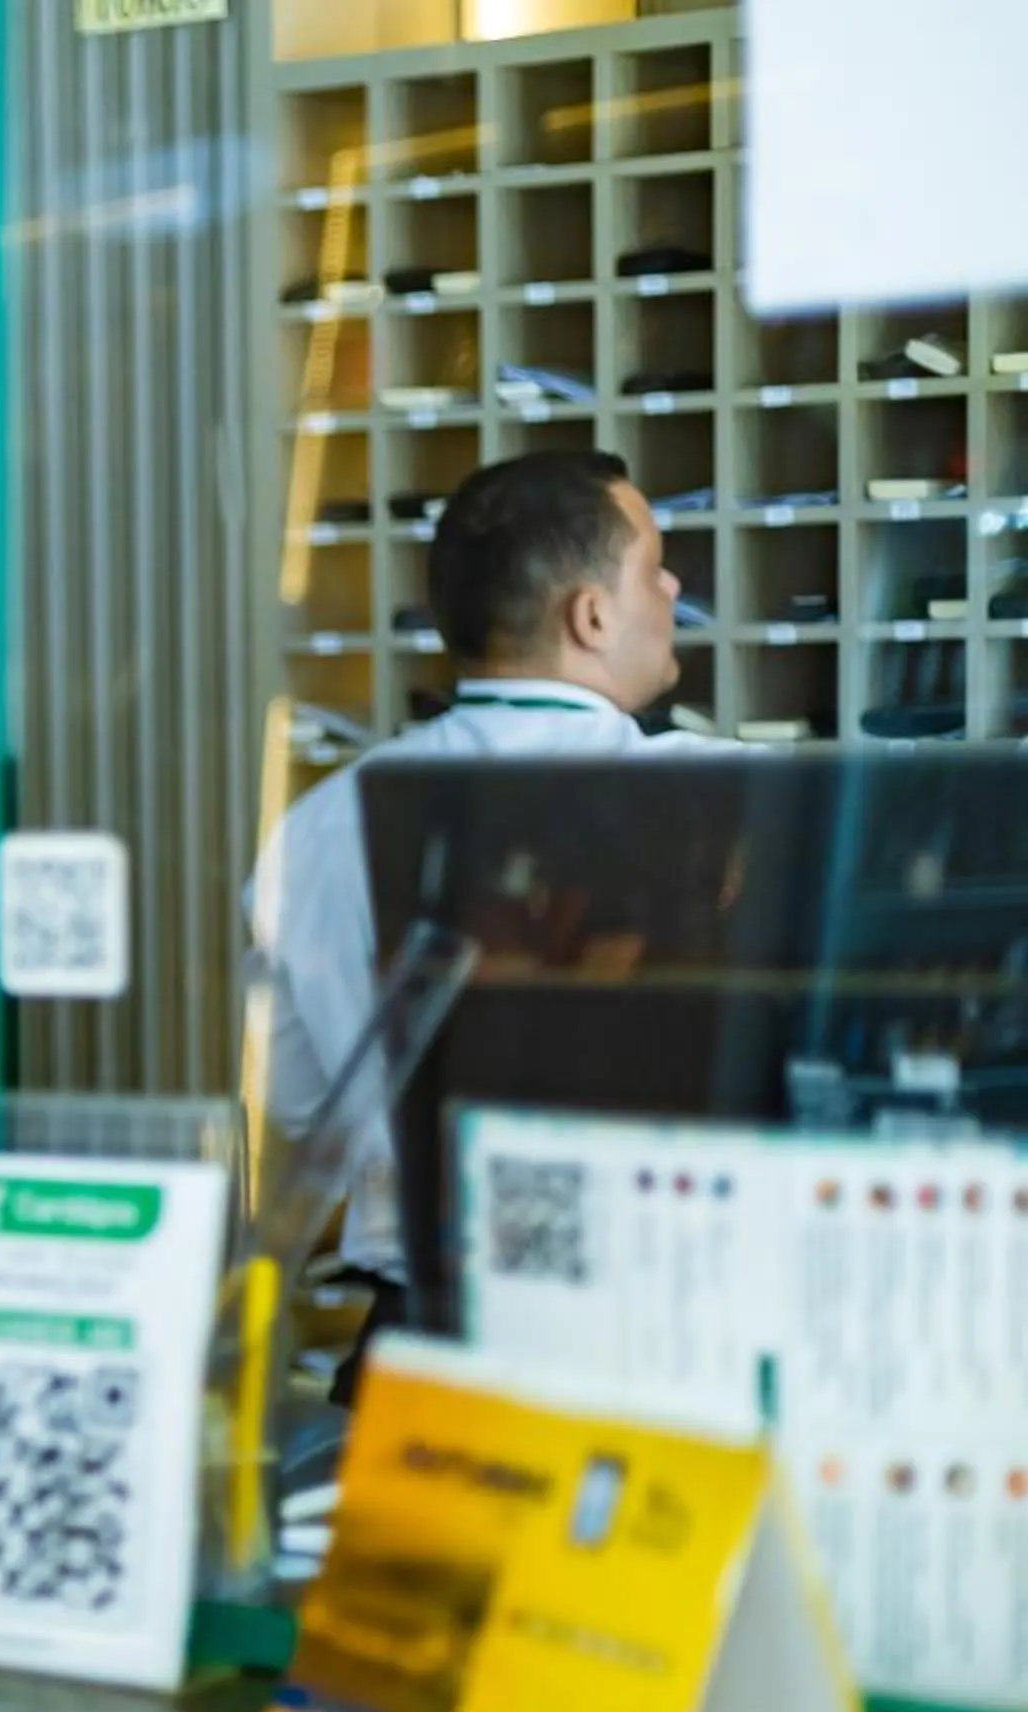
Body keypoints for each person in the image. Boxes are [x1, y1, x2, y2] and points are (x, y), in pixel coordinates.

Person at [248, 449, 731, 1386]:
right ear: (590, 615)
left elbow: (301, 1107)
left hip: (414, 1347)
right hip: (644, 1348)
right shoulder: (719, 808)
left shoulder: (314, 827)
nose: (673, 586)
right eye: (652, 566)